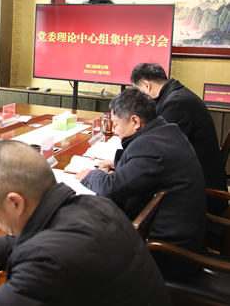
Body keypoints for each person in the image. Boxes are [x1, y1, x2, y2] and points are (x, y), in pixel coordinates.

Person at [0, 140, 170, 305]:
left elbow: (50, 252)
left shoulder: (48, 261)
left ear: (15, 203)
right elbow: (49, 235)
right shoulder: (94, 205)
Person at [77, 88, 206, 278]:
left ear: (135, 122)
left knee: (86, 247)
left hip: (169, 253)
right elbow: (148, 167)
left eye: (116, 124)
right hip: (182, 238)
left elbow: (111, 188)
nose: (115, 131)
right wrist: (119, 165)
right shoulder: (167, 131)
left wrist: (91, 174)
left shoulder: (149, 148)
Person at [131, 62, 228, 216]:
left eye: (138, 91)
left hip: (200, 193)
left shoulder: (176, 104)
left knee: (133, 197)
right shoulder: (177, 95)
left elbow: (157, 147)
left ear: (146, 85)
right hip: (199, 178)